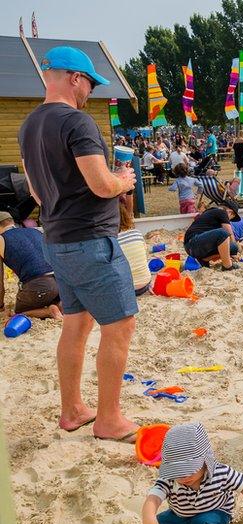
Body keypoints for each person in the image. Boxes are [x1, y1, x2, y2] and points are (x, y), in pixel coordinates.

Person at [18, 46, 140, 439]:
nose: (91, 91)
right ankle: (108, 419)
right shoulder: (77, 122)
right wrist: (124, 181)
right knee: (120, 324)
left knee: (76, 323)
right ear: (74, 77)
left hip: (56, 236)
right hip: (90, 239)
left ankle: (72, 410)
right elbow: (101, 185)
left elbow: (36, 193)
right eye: (90, 83)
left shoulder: (29, 125)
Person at [140, 423, 243, 524]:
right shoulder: (169, 479)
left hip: (214, 514)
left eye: (189, 469)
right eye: (177, 472)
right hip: (182, 517)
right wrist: (149, 517)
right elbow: (153, 498)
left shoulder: (220, 473)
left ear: (205, 460)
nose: (183, 477)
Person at [0, 212, 62, 318]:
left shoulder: (1, 239)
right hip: (61, 282)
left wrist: (0, 306)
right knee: (55, 300)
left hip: (40, 286)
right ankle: (59, 305)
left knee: (18, 313)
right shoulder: (35, 231)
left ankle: (49, 312)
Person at [183, 200, 241, 270]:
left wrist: (234, 251)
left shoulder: (212, 213)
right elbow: (230, 233)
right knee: (223, 234)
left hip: (193, 246)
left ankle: (204, 260)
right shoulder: (222, 212)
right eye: (233, 216)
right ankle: (227, 266)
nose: (230, 219)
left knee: (233, 247)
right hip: (193, 242)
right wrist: (235, 253)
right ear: (230, 212)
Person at [116, 203, 152, 295]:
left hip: (126, 290)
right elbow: (144, 256)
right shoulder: (137, 233)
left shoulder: (112, 241)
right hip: (145, 284)